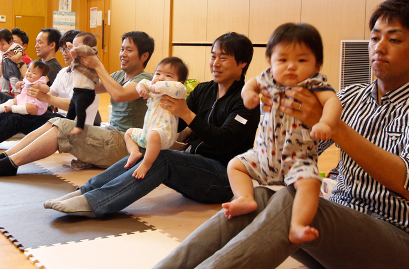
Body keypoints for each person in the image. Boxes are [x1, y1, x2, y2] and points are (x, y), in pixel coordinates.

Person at [153, 0, 409, 269]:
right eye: (374, 37)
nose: (379, 47)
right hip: (337, 228)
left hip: (401, 243)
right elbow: (296, 151)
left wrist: (334, 128)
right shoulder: (352, 96)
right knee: (259, 198)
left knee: (289, 200)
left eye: (394, 39)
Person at [44, 32, 260, 218]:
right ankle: (86, 191)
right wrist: (157, 110)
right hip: (193, 161)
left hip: (223, 178)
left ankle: (95, 203)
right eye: (213, 56)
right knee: (147, 149)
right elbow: (174, 124)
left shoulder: (246, 101)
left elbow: (226, 141)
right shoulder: (205, 90)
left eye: (223, 58)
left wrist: (186, 113)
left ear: (242, 63)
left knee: (161, 158)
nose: (215, 63)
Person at [0, 31, 154, 176]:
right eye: (122, 49)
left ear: (144, 56)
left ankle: (10, 163)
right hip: (110, 135)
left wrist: (97, 65)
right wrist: (77, 62)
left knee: (63, 124)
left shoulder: (145, 80)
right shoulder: (118, 75)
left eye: (129, 50)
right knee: (56, 121)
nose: (122, 54)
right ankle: (5, 157)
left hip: (128, 145)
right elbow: (90, 88)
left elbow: (120, 94)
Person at [227, 23, 342, 244]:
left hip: (297, 160)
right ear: (270, 61)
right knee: (235, 165)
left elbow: (333, 102)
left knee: (311, 183)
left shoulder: (314, 84)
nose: (291, 66)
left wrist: (326, 123)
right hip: (262, 157)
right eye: (282, 60)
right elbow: (248, 86)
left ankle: (298, 224)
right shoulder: (267, 78)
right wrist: (249, 95)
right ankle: (245, 198)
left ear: (317, 64)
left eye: (301, 60)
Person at [124, 57, 188, 179]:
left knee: (154, 135)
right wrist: (142, 89)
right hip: (146, 135)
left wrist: (154, 87)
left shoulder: (177, 91)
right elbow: (142, 83)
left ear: (181, 81)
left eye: (168, 76)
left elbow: (178, 88)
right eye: (158, 73)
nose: (161, 78)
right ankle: (134, 152)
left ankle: (146, 163)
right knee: (128, 133)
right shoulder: (152, 85)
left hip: (164, 136)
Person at [66, 32, 99, 135]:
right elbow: (74, 61)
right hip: (77, 91)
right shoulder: (79, 60)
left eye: (76, 46)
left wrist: (73, 48)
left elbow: (84, 50)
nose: (74, 48)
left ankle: (80, 126)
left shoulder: (91, 54)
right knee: (71, 109)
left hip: (86, 92)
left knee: (80, 107)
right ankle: (67, 124)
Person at [0, 28, 24, 94]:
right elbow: (1, 51)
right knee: (3, 82)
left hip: (12, 71)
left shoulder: (13, 47)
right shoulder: (3, 49)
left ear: (10, 41)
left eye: (3, 44)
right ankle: (4, 93)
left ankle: (17, 94)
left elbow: (20, 52)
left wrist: (16, 56)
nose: (1, 47)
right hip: (5, 71)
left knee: (14, 82)